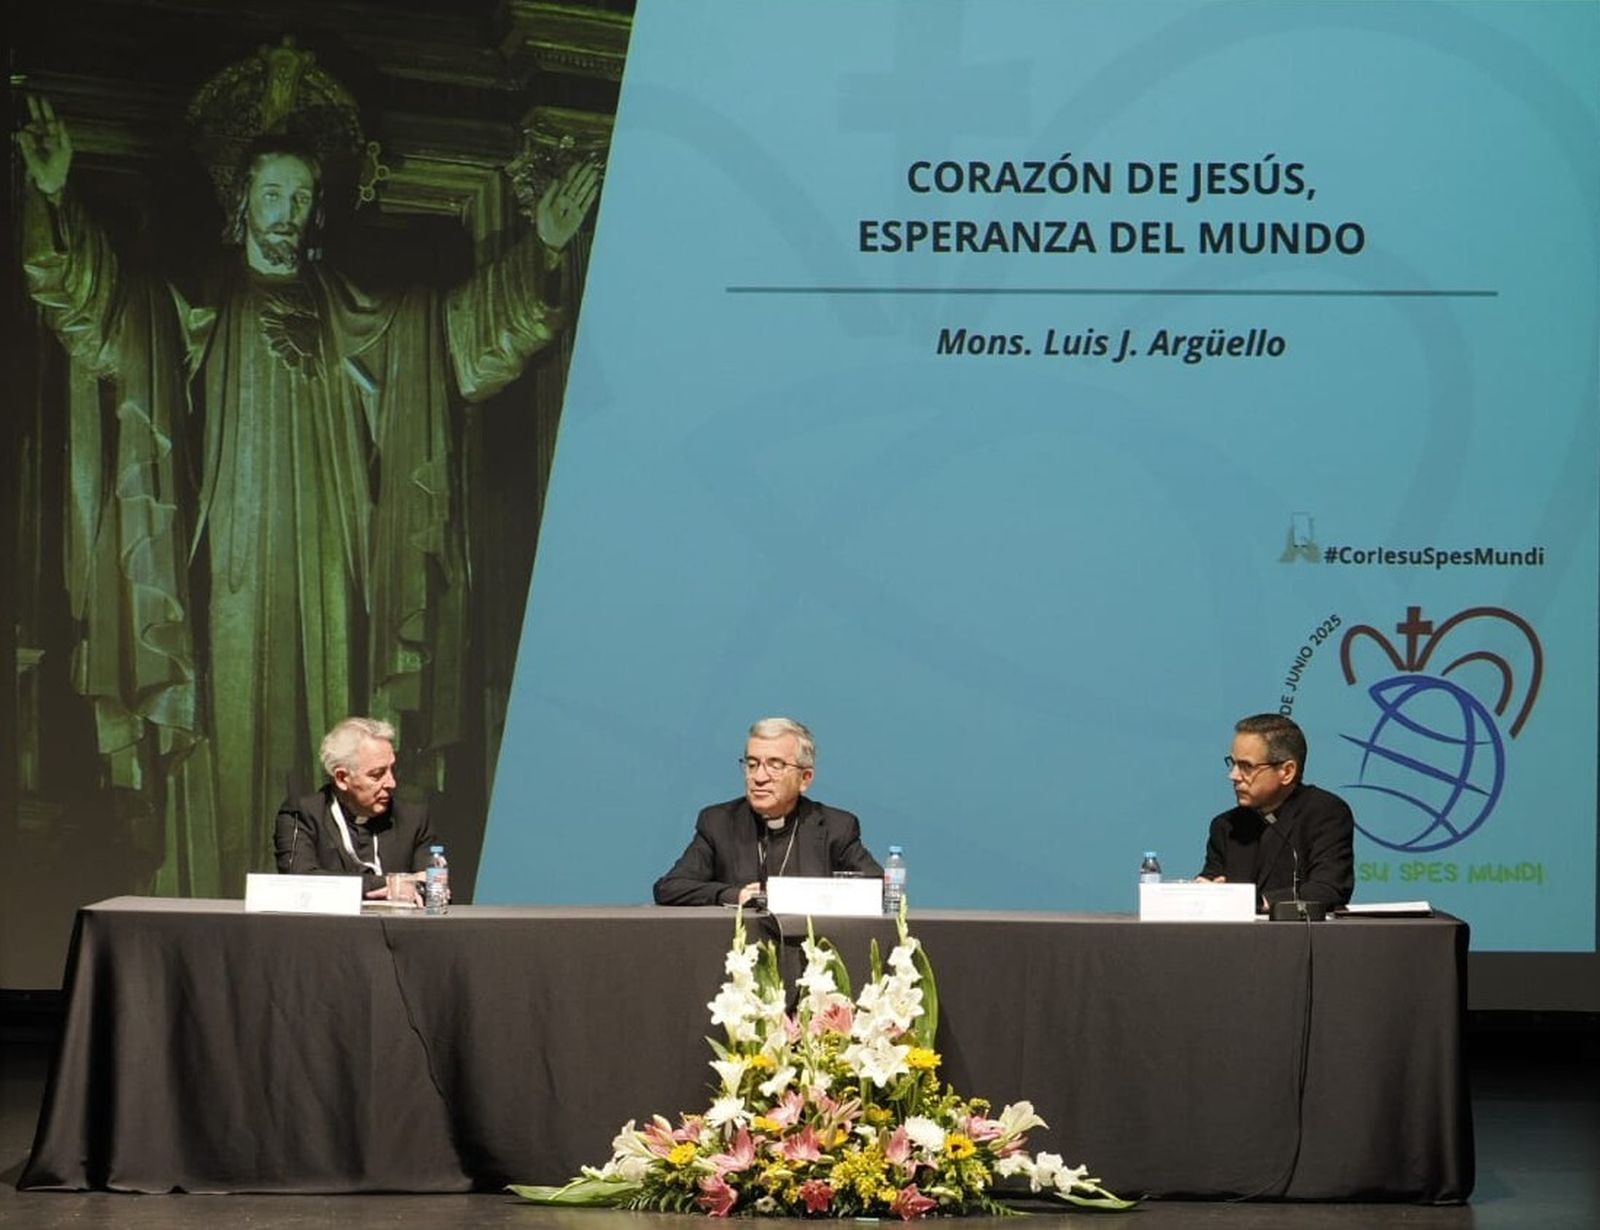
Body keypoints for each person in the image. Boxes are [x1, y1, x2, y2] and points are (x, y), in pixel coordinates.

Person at [14, 63, 598, 896]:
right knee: (221, 726)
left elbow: (461, 346)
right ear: (240, 202)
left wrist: (539, 249)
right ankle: (211, 901)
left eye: (298, 198)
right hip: (224, 573)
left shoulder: (361, 315)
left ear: (315, 210)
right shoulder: (189, 308)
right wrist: (51, 200)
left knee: (337, 715)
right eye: (270, 195)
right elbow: (92, 312)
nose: (284, 214)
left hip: (332, 569)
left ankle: (335, 894)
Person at [653, 717, 881, 906]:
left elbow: (879, 890)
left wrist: (801, 896)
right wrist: (735, 895)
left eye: (775, 765)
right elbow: (669, 888)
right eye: (752, 764)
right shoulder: (718, 822)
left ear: (805, 778)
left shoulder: (836, 827)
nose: (759, 777)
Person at [1199, 713, 1354, 910]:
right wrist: (1203, 893)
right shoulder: (1226, 826)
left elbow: (1329, 889)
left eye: (1246, 766)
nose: (1234, 775)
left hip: (1299, 939)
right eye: (1233, 764)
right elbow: (1213, 882)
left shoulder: (1325, 813)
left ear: (1287, 771)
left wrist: (1256, 902)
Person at [274, 716, 437, 900]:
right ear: (342, 778)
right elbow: (300, 882)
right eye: (377, 775)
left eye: (393, 770)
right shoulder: (302, 814)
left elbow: (434, 888)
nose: (391, 783)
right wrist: (394, 883)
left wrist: (422, 886)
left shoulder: (413, 818)